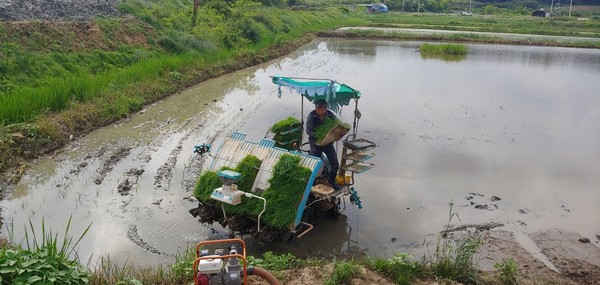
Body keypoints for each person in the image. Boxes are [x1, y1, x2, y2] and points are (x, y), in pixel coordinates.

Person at [306, 99, 341, 190]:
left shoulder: (330, 115)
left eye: (322, 110)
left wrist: (334, 135)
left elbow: (337, 125)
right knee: (314, 163)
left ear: (326, 109)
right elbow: (308, 131)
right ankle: (312, 183)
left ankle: (331, 181)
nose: (320, 112)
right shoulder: (311, 116)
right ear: (316, 108)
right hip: (315, 143)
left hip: (327, 143)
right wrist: (320, 136)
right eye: (318, 109)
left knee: (335, 163)